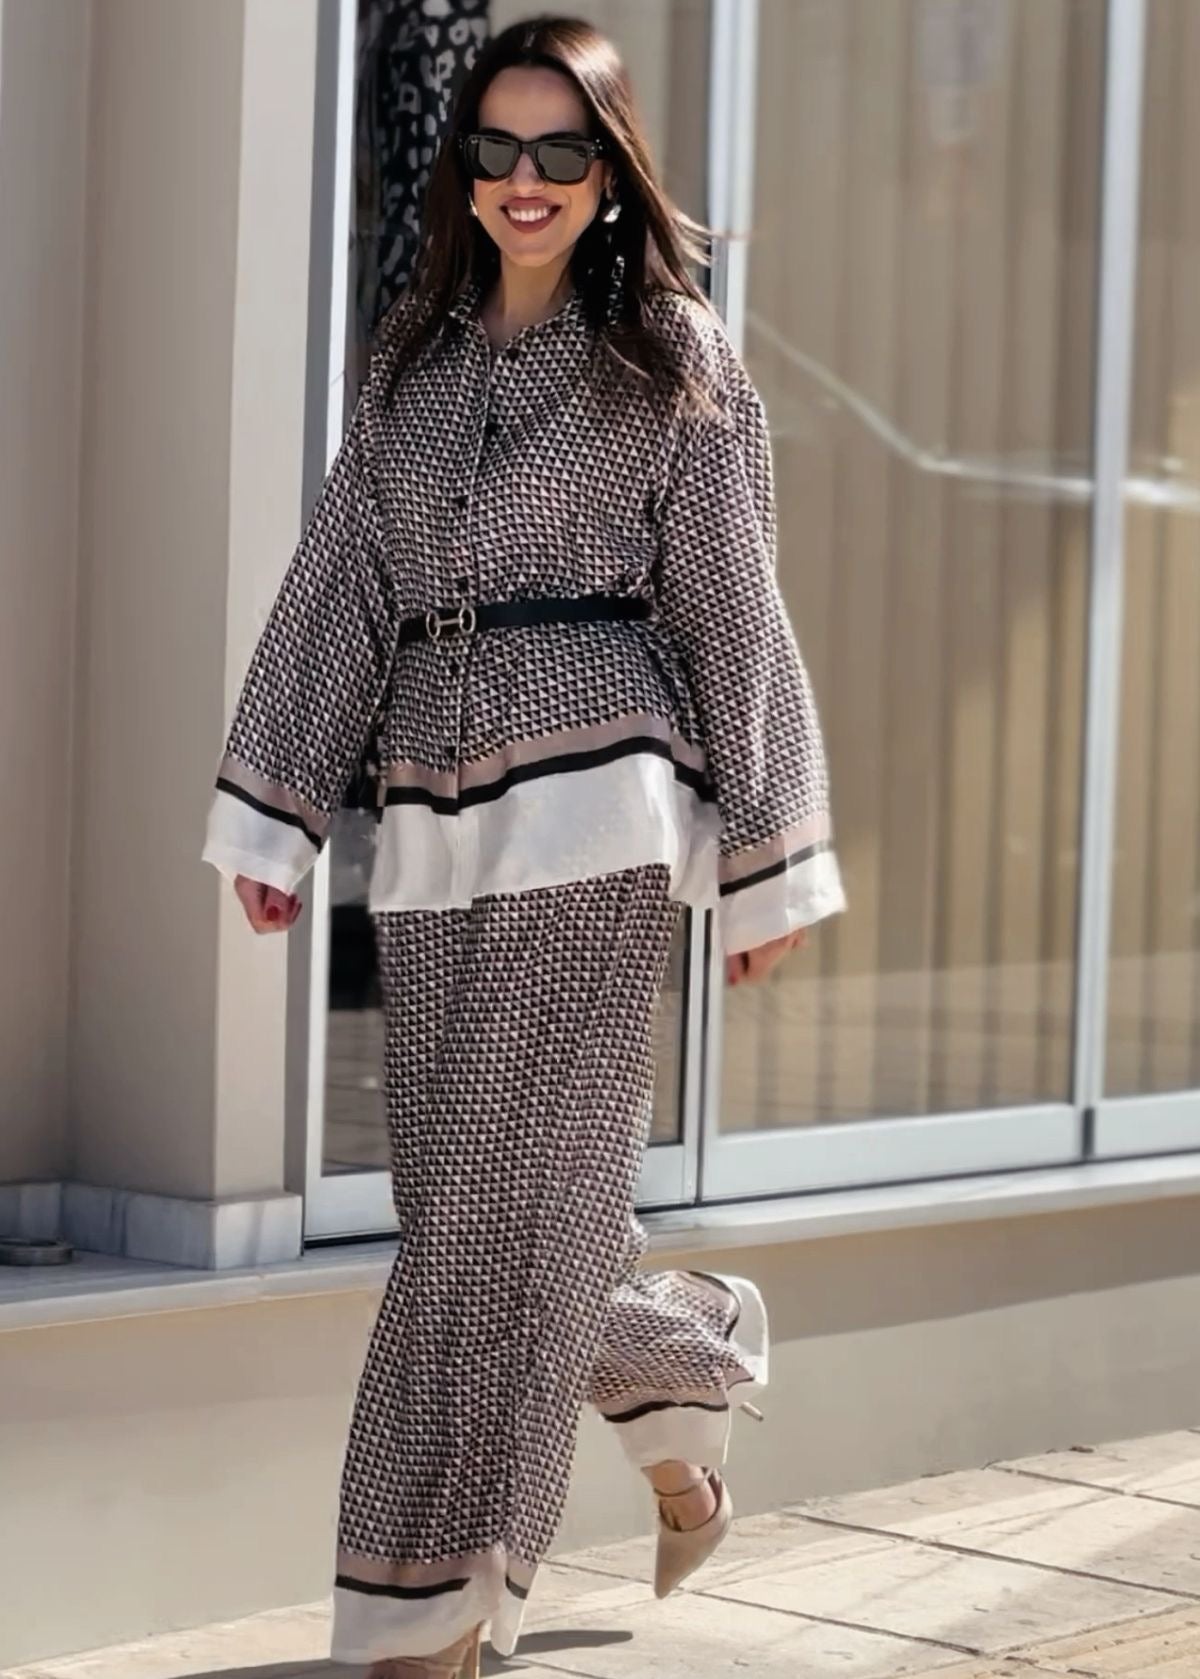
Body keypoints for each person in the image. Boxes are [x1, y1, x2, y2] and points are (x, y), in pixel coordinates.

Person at [202, 15, 845, 1679]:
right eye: (497, 149)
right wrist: (280, 808)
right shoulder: (411, 363)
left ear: (609, 173)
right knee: (484, 1213)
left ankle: (429, 1618)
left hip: (604, 818)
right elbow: (340, 580)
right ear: (467, 171)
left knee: (487, 1234)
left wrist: (766, 853)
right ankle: (681, 1370)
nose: (527, 179)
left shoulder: (672, 355)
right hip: (433, 825)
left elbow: (736, 600)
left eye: (563, 150)